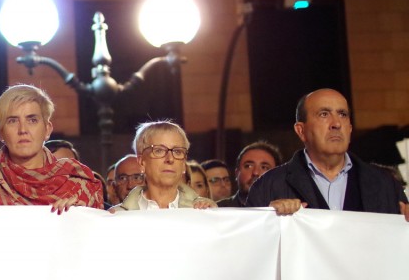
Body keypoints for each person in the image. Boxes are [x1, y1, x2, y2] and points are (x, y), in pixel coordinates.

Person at [247, 89, 409, 220]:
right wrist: (269, 219)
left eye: (342, 114)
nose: (336, 124)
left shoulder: (385, 184)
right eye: (324, 114)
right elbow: (253, 248)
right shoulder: (269, 187)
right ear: (301, 131)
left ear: (350, 128)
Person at [0, 84, 104, 212]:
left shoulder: (77, 181)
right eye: (12, 121)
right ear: (1, 133)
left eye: (32, 120)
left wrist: (80, 216)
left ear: (47, 129)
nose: (23, 129)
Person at [111, 121, 215, 211]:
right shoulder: (118, 217)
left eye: (177, 152)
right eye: (159, 150)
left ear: (183, 164)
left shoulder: (205, 211)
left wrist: (212, 215)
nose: (170, 159)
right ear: (142, 162)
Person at [218, 141, 281, 207]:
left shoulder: (288, 214)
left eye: (264, 167)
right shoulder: (217, 211)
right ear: (237, 173)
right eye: (248, 166)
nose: (255, 172)